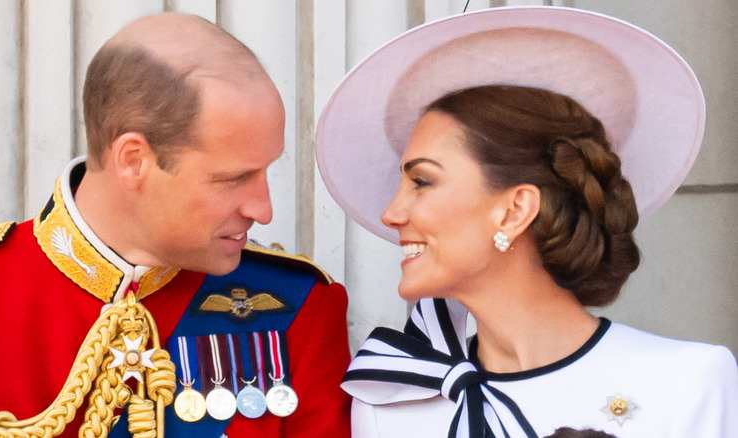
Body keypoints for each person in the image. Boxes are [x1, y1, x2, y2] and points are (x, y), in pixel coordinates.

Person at [315, 6, 738, 438]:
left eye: (421, 181)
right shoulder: (388, 408)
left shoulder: (686, 385)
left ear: (515, 210)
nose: (391, 214)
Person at [0, 13, 350, 438]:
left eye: (266, 171)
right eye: (234, 178)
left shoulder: (296, 307)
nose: (264, 209)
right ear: (133, 161)